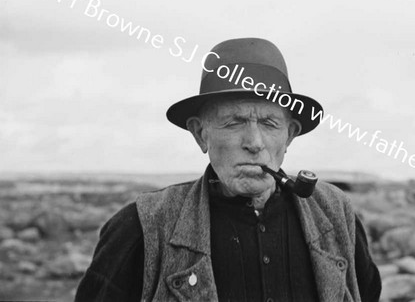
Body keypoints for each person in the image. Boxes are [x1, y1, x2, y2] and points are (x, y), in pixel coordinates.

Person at [75, 38, 381, 301]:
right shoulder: (142, 226)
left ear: (289, 135)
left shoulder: (336, 213)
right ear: (200, 134)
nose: (254, 143)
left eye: (269, 123)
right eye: (234, 122)